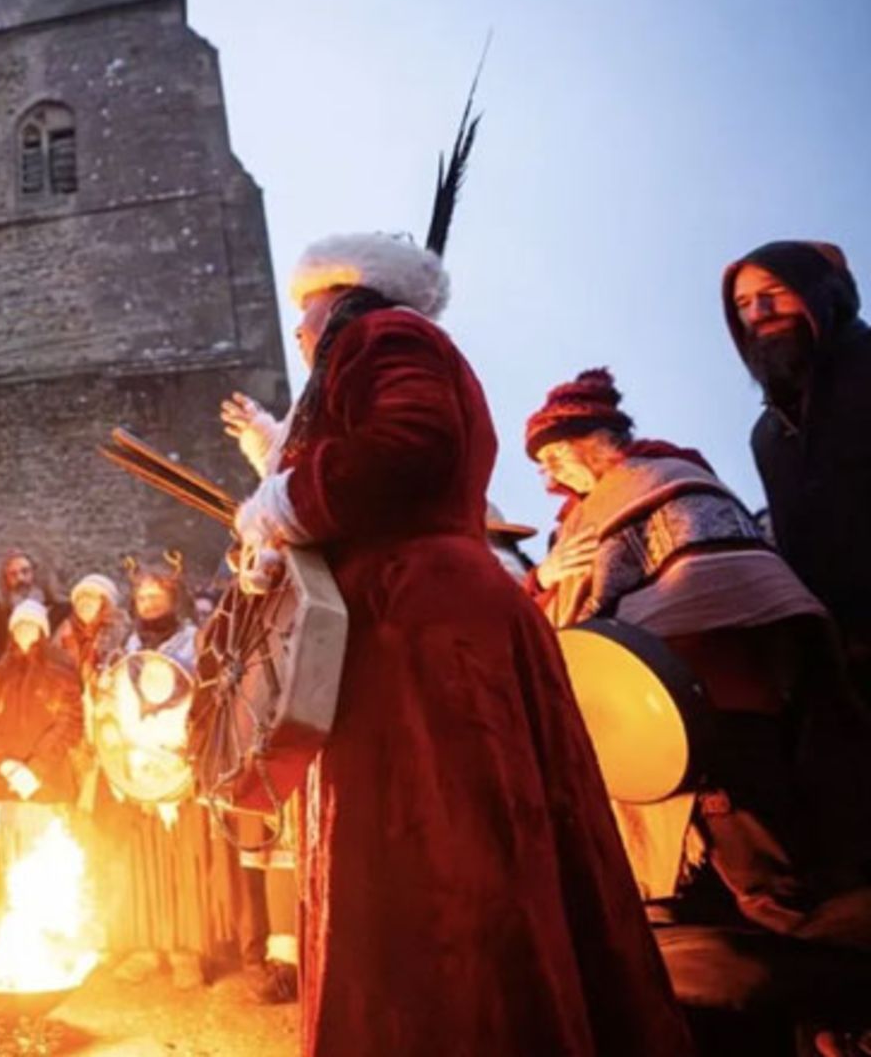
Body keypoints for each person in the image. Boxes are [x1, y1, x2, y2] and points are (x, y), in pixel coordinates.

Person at [223, 231, 691, 1054]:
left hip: (421, 632)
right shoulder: (374, 344)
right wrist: (280, 503)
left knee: (445, 863)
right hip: (415, 618)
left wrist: (282, 504)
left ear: (340, 296)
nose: (297, 332)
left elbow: (410, 448)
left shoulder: (384, 333)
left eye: (304, 312)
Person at [523, 369, 871, 1051]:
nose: (547, 474)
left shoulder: (666, 483)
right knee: (686, 927)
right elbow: (567, 642)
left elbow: (728, 588)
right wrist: (548, 582)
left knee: (773, 907)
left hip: (724, 737)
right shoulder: (580, 525)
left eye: (555, 454)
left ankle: (845, 1002)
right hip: (648, 770)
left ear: (596, 440)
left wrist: (650, 663)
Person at [723, 241, 871, 694]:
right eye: (743, 304)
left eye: (775, 292)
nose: (759, 312)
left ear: (823, 293)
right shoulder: (767, 436)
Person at [91, 557, 235, 991]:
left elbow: (208, 701)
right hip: (137, 771)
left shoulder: (195, 644)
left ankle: (187, 951)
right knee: (144, 861)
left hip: (180, 769)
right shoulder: (127, 649)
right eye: (142, 597)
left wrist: (179, 749)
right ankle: (147, 946)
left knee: (182, 862)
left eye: (157, 595)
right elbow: (112, 706)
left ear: (174, 599)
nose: (149, 602)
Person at [0, 599, 80, 874]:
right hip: (6, 785)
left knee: (48, 864)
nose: (25, 630)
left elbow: (70, 723)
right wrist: (4, 764)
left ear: (42, 631)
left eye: (31, 625)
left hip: (48, 784)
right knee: (11, 866)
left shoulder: (61, 672)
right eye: (20, 625)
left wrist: (36, 768)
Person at [0, 550, 66, 663]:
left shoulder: (62, 613)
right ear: (6, 581)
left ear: (36, 574)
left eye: (25, 571)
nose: (20, 579)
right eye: (13, 574)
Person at [53, 573, 130, 684]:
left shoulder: (122, 635)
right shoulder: (64, 633)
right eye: (80, 597)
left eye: (91, 596)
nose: (84, 601)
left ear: (106, 603)